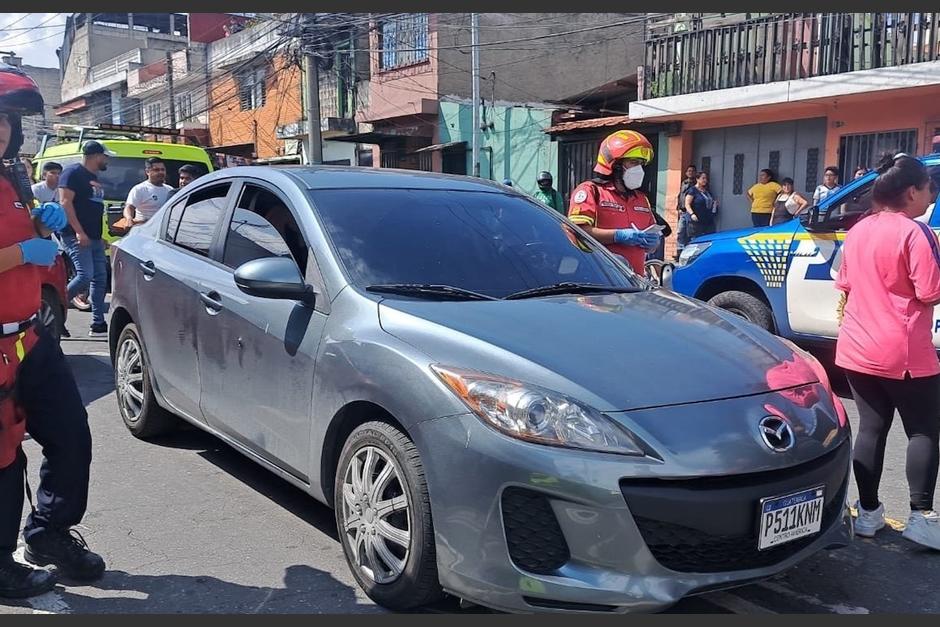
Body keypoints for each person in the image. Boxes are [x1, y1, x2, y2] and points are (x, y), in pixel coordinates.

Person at [0, 62, 105, 599]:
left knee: (70, 436)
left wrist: (44, 220)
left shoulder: (10, 178)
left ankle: (47, 535)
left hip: (31, 336)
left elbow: (38, 247)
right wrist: (22, 251)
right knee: (1, 458)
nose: (1, 127)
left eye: (7, 119)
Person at [835, 153, 940, 549]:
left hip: (857, 348)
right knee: (923, 430)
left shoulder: (859, 229)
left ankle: (868, 513)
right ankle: (921, 518)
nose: (932, 196)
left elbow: (844, 282)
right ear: (911, 191)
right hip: (904, 350)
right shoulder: (916, 233)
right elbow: (931, 290)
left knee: (872, 428)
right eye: (930, 188)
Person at [567, 130, 661, 275]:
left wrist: (653, 243)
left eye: (641, 164)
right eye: (633, 162)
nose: (639, 169)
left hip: (635, 283)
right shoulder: (591, 191)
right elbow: (577, 232)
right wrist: (618, 236)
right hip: (599, 280)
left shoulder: (641, 198)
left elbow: (651, 240)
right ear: (615, 165)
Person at [59, 140, 113, 337]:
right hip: (75, 235)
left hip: (95, 238)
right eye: (105, 156)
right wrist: (79, 232)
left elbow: (94, 208)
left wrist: (100, 237)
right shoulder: (73, 173)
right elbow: (65, 202)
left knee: (99, 278)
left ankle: (98, 323)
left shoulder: (94, 177)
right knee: (85, 276)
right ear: (96, 156)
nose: (107, 160)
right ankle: (55, 309)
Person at [122, 157, 174, 226]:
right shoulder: (140, 189)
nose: (161, 172)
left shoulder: (170, 190)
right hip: (144, 230)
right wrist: (129, 218)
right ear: (147, 172)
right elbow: (129, 207)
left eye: (163, 170)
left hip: (163, 230)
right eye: (156, 170)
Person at [683, 171, 718, 238]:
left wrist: (714, 205)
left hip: (708, 220)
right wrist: (692, 214)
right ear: (697, 179)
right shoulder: (693, 190)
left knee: (710, 238)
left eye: (706, 179)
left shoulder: (707, 191)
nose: (705, 180)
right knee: (696, 240)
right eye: (703, 178)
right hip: (696, 221)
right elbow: (687, 204)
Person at [675, 164, 697, 259]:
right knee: (680, 232)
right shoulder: (684, 183)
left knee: (690, 233)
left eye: (692, 171)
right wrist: (679, 207)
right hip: (683, 211)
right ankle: (680, 252)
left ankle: (689, 254)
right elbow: (680, 195)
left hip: (691, 212)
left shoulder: (696, 184)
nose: (690, 173)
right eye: (689, 171)